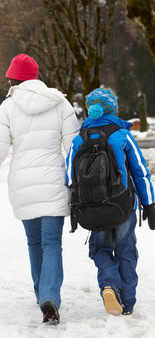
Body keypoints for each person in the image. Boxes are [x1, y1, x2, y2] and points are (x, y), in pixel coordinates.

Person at [0, 53, 80, 323]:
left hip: (23, 184)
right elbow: (73, 148)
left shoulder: (8, 106)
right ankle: (50, 296)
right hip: (53, 183)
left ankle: (41, 296)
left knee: (34, 243)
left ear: (13, 77)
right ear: (36, 76)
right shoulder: (60, 103)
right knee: (51, 243)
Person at [66, 88, 155, 316]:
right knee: (126, 250)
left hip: (93, 209)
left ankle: (108, 285)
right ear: (113, 109)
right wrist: (150, 204)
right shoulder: (121, 135)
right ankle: (127, 302)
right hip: (123, 206)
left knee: (100, 249)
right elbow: (140, 172)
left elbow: (69, 177)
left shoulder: (79, 139)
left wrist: (76, 207)